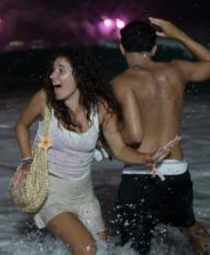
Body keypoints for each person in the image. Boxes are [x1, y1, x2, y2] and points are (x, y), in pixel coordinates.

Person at [13, 50, 179, 255]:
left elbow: (120, 150)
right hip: (51, 193)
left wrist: (149, 157)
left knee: (102, 252)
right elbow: (21, 125)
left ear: (80, 76)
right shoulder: (45, 100)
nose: (52, 76)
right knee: (87, 249)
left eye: (61, 71)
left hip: (84, 195)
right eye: (53, 71)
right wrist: (27, 160)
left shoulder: (101, 109)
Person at [112, 18, 210, 254]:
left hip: (140, 174)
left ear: (121, 48)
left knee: (134, 249)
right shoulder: (176, 70)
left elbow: (133, 136)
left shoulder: (121, 83)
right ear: (154, 49)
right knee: (190, 227)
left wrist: (107, 141)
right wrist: (178, 35)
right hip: (177, 172)